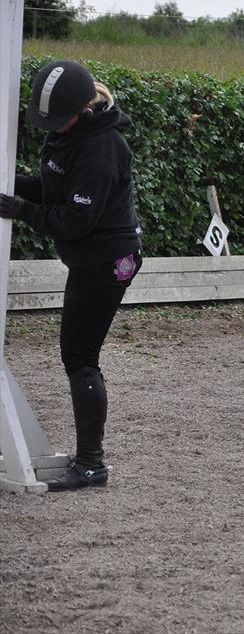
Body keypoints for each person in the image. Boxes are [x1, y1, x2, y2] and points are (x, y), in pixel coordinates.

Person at [0, 60, 143, 492]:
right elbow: (54, 190)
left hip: (107, 260)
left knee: (80, 358)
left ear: (82, 110)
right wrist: (12, 185)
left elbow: (75, 219)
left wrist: (22, 211)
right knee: (78, 355)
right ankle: (89, 462)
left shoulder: (102, 150)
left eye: (59, 121)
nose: (52, 128)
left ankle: (91, 465)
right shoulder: (70, 134)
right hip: (92, 257)